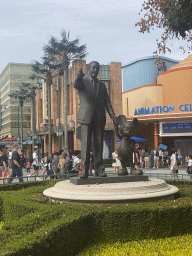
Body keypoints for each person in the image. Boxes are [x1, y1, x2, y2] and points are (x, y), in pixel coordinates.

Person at [73, 61, 118, 179]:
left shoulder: (102, 85)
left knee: (99, 144)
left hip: (99, 117)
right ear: (89, 69)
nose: (95, 70)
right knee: (85, 145)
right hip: (86, 117)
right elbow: (76, 85)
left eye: (97, 69)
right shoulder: (83, 81)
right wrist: (78, 77)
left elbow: (107, 101)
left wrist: (112, 114)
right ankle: (84, 171)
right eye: (93, 68)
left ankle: (98, 169)